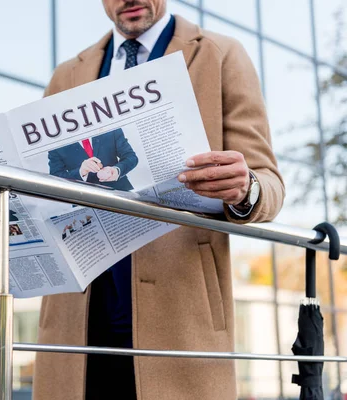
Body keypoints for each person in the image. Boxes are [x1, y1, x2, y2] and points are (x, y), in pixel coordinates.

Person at [33, 1, 285, 399]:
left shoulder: (220, 54)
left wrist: (245, 187)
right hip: (77, 314)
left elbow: (268, 183)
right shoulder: (67, 74)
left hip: (179, 314)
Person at [48, 128, 139, 190]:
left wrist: (116, 170)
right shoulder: (56, 144)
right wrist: (81, 172)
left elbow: (131, 157)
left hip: (120, 191)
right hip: (84, 199)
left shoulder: (109, 128)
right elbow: (56, 179)